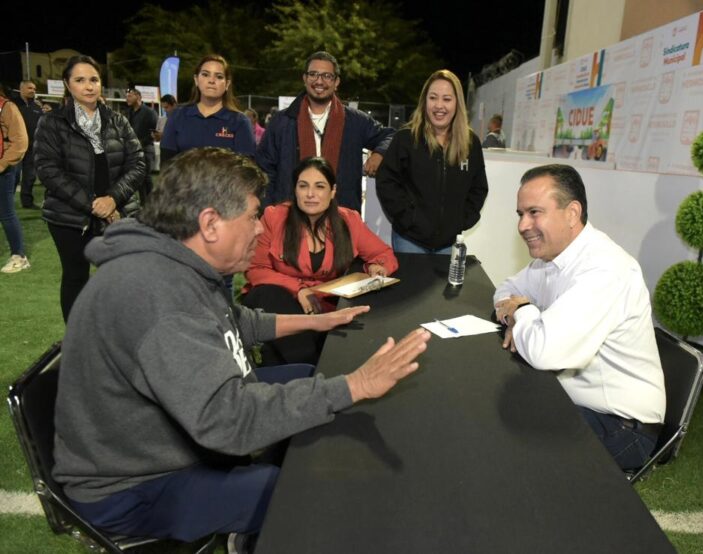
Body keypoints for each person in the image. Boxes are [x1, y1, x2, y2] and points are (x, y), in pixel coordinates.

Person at [52, 147, 430, 551]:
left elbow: (236, 322)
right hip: (132, 487)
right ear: (210, 223)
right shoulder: (156, 295)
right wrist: (354, 385)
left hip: (159, 443)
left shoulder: (175, 264)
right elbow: (228, 422)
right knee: (299, 491)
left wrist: (314, 321)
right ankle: (249, 537)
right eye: (252, 217)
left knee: (307, 377)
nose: (258, 230)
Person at [492, 164, 665, 472]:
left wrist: (522, 311)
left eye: (534, 212)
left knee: (500, 439)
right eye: (521, 214)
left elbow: (546, 353)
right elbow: (505, 290)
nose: (522, 225)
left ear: (572, 213)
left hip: (621, 428)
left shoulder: (605, 269)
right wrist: (515, 317)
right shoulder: (549, 258)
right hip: (575, 401)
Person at [243, 156, 398, 366]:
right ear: (295, 190)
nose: (310, 194)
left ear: (332, 191)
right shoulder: (274, 217)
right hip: (280, 301)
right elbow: (256, 269)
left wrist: (376, 266)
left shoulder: (348, 220)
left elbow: (384, 254)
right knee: (269, 294)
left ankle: (305, 369)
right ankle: (311, 366)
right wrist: (298, 289)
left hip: (323, 304)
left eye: (319, 186)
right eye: (303, 186)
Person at [35, 55, 145, 322]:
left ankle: (116, 339)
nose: (88, 86)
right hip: (70, 218)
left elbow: (138, 163)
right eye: (80, 80)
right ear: (67, 84)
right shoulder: (52, 123)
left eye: (94, 79)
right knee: (75, 277)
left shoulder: (118, 122)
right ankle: (78, 341)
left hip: (118, 215)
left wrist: (113, 199)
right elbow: (48, 171)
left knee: (121, 278)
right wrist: (93, 204)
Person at [256, 51, 394, 212]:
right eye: (313, 74)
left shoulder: (356, 121)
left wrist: (380, 153)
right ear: (305, 79)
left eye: (327, 76)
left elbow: (390, 136)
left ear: (336, 82)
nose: (319, 81)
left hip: (340, 215)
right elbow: (265, 171)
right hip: (291, 215)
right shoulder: (282, 121)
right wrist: (270, 211)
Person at [376, 69, 489, 254]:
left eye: (447, 99)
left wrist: (461, 221)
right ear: (424, 101)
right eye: (433, 98)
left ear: (457, 103)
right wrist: (408, 219)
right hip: (409, 241)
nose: (439, 106)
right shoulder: (406, 138)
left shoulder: (470, 143)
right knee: (411, 284)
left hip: (448, 244)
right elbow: (386, 182)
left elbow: (479, 188)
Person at [160, 54, 255, 165]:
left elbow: (246, 170)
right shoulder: (178, 116)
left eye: (219, 76)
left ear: (227, 84)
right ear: (196, 79)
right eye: (205, 74)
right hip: (183, 182)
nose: (211, 80)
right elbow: (166, 164)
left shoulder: (240, 122)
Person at [0, 83, 31, 273]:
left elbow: (20, 141)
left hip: (4, 169)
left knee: (6, 213)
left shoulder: (7, 107)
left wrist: (2, 164)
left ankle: (19, 256)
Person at [12, 80, 43, 208]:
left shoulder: (37, 107)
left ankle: (27, 202)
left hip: (31, 147)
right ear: (22, 88)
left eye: (34, 89)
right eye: (30, 88)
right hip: (15, 146)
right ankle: (7, 202)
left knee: (30, 176)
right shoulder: (13, 104)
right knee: (13, 176)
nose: (33, 91)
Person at [125, 87, 158, 201]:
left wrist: (140, 143)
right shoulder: (128, 112)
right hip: (133, 151)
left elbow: (154, 132)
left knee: (146, 178)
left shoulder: (149, 112)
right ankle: (143, 205)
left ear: (138, 97)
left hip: (146, 149)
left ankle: (150, 204)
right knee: (138, 179)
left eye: (130, 95)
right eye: (127, 96)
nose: (127, 98)